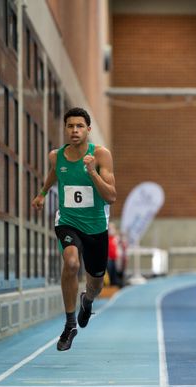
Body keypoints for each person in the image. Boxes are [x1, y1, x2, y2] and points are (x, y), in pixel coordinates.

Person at [32, 107, 117, 351]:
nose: (75, 130)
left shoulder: (101, 156)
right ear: (65, 129)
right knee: (70, 263)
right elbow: (54, 173)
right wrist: (42, 193)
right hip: (68, 220)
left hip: (96, 226)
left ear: (88, 130)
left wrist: (92, 173)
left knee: (96, 284)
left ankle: (87, 301)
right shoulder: (56, 156)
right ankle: (70, 324)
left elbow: (111, 196)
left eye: (80, 126)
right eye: (70, 126)